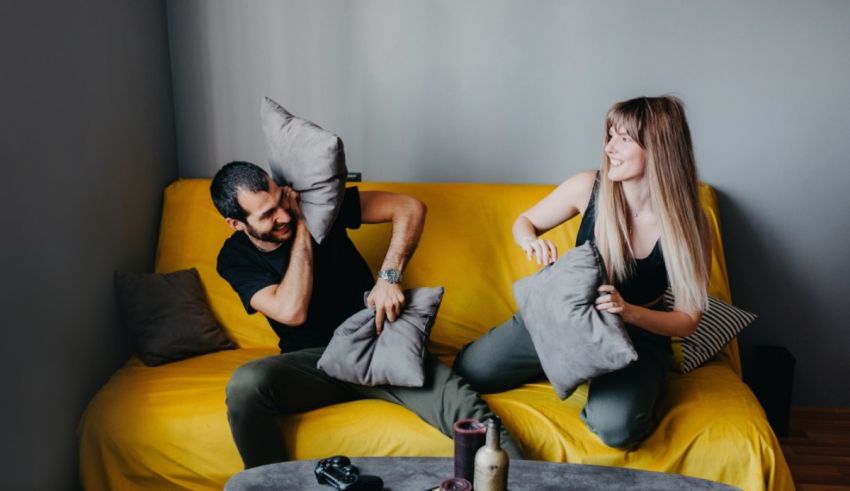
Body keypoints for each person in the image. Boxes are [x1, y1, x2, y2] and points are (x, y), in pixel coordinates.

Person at [210, 161, 522, 468]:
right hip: (313, 364)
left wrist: (389, 276)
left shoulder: (320, 203)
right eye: (267, 214)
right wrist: (304, 224)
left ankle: (532, 482)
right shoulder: (235, 257)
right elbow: (292, 311)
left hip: (379, 344)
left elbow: (409, 207)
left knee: (475, 419)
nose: (283, 214)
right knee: (245, 386)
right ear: (236, 223)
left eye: (282, 200)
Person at [453, 96, 711, 450]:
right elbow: (524, 222)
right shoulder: (588, 186)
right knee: (470, 372)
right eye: (610, 135)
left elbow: (688, 319)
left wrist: (630, 312)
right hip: (565, 316)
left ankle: (596, 374)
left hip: (635, 335)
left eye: (623, 139)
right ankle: (566, 363)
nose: (609, 148)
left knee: (617, 430)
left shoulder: (691, 224)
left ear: (658, 148)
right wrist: (531, 242)